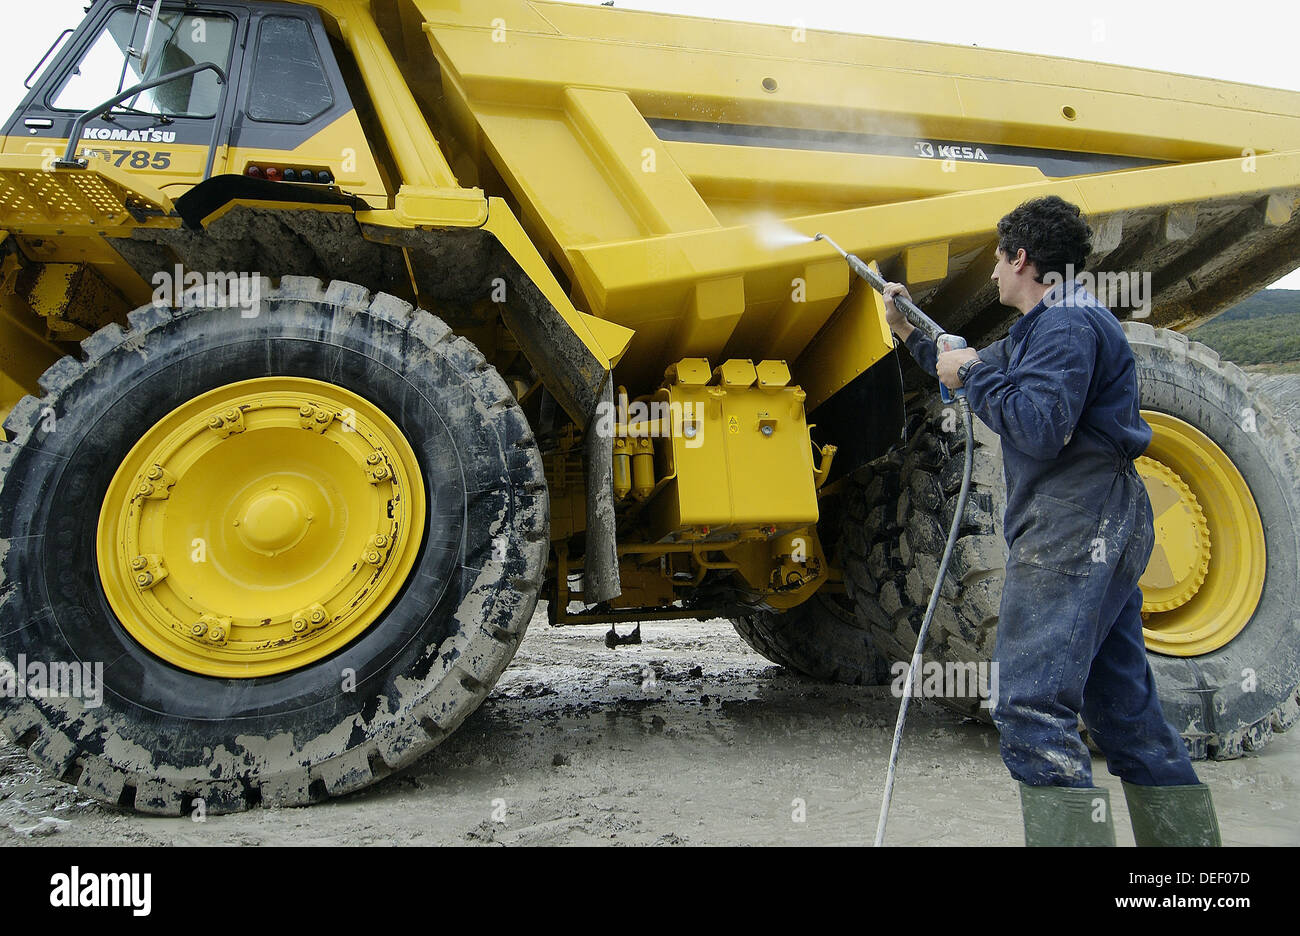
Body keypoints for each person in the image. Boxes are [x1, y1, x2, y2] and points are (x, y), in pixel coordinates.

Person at [882, 195, 1220, 846]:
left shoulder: (1064, 325)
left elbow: (1039, 426)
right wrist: (913, 335)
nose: (991, 276)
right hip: (1107, 516)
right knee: (1121, 710)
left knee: (1030, 703)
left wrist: (972, 371)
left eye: (999, 262)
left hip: (1075, 521)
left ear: (1023, 259)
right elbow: (988, 377)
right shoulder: (1052, 325)